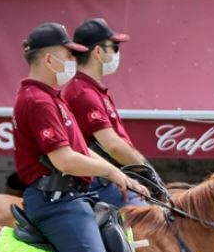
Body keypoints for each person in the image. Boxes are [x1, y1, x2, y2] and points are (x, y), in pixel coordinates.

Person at [13, 21, 146, 252]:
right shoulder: (36, 100)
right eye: (68, 54)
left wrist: (122, 173)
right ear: (49, 59)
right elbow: (64, 160)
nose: (74, 58)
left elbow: (82, 148)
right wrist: (115, 173)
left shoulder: (53, 97)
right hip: (53, 199)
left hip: (75, 196)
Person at [63, 18, 151, 208]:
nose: (117, 53)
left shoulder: (90, 89)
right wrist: (148, 171)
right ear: (97, 52)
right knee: (151, 220)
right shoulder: (83, 93)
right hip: (97, 182)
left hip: (106, 178)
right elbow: (113, 146)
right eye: (114, 47)